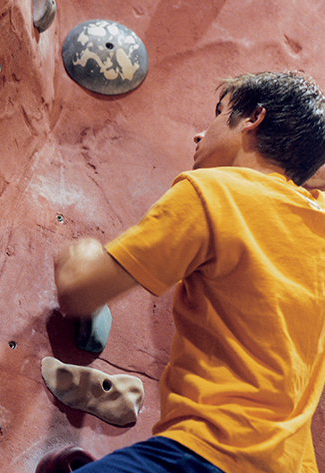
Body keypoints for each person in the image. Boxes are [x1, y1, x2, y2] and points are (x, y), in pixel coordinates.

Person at [53, 71, 325, 473]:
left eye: (218, 114)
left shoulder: (213, 191)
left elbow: (78, 292)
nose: (199, 135)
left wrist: (79, 253)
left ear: (254, 119)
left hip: (206, 453)